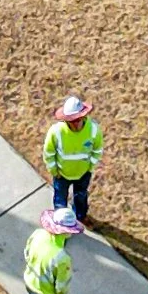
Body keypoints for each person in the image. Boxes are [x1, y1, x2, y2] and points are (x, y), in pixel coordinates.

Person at [43, 95, 103, 224]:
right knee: (60, 200)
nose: (74, 124)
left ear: (83, 116)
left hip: (83, 173)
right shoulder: (56, 132)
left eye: (77, 120)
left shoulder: (93, 130)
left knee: (81, 196)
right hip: (61, 174)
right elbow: (49, 153)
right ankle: (61, 224)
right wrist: (54, 170)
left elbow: (97, 150)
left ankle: (80, 216)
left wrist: (90, 167)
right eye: (70, 121)